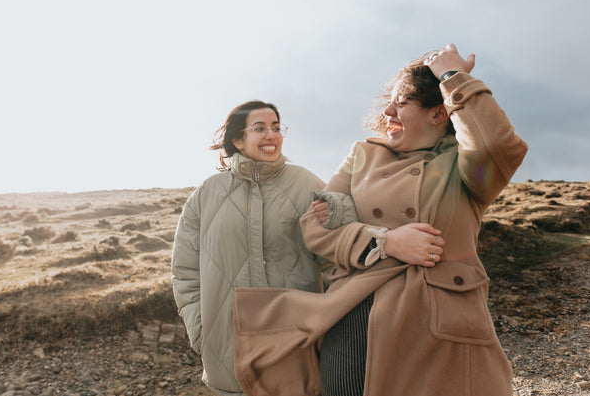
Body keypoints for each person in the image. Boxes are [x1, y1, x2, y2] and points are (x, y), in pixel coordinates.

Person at [232, 44, 528, 396]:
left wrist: (454, 78)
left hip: (440, 323)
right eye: (390, 99)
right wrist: (384, 241)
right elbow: (316, 225)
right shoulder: (363, 155)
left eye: (402, 101)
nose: (387, 109)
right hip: (355, 315)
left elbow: (500, 145)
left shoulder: (467, 167)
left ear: (438, 114)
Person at [171, 100, 445, 396]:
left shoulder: (306, 184)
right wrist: (201, 330)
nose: (271, 135)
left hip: (293, 344)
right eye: (259, 128)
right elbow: (185, 270)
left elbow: (337, 252)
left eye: (276, 128)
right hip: (226, 346)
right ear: (238, 140)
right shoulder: (206, 194)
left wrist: (387, 239)